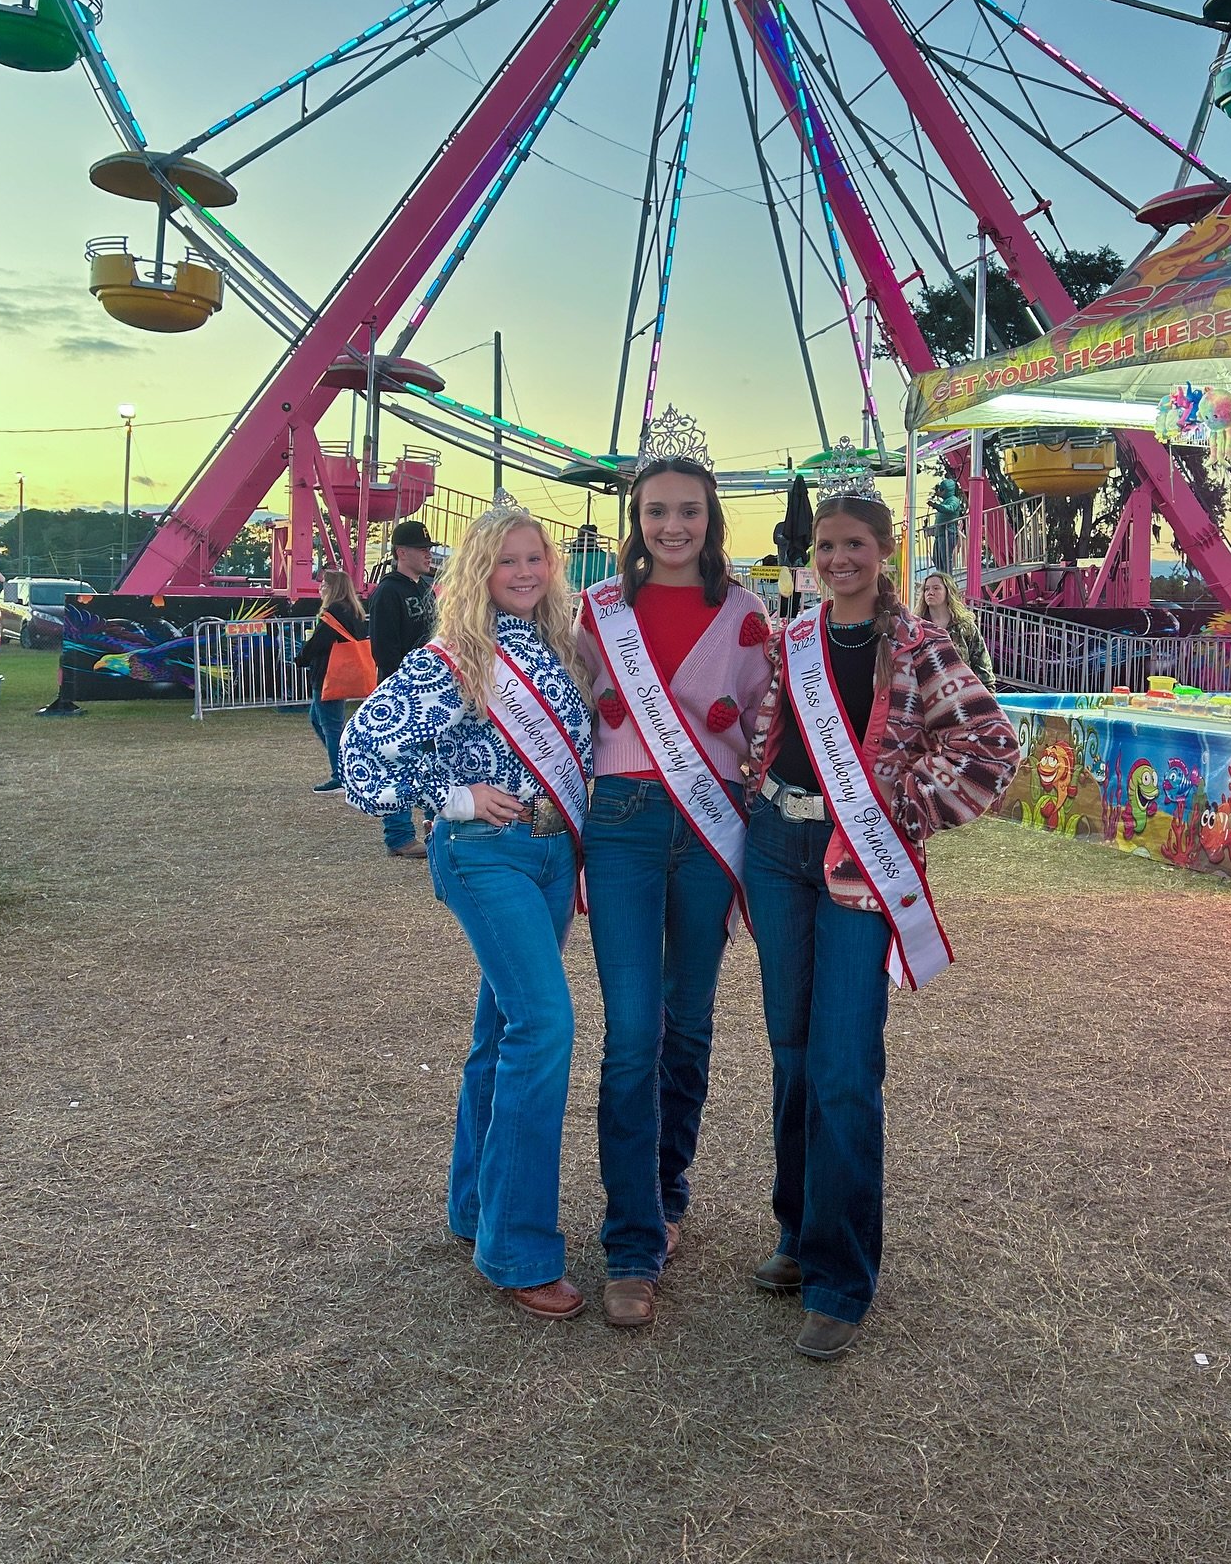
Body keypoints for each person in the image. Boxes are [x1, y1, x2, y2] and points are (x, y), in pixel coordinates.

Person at [744, 483, 1018, 1362]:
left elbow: (991, 749)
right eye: (825, 547)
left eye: (854, 545)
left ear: (884, 552)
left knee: (846, 1067)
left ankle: (840, 1276)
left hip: (860, 865)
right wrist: (758, 790)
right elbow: (768, 729)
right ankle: (797, 1233)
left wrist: (893, 802)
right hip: (778, 853)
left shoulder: (921, 645)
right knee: (790, 1053)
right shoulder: (794, 637)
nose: (838, 561)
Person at [340, 497, 594, 1320]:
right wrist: (453, 796)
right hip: (488, 855)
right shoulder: (452, 658)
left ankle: (473, 1206)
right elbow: (363, 755)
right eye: (505, 561)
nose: (523, 573)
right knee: (545, 1027)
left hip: (554, 853)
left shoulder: (559, 646)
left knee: (505, 1029)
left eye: (535, 559)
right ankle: (516, 1249)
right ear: (476, 573)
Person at [577, 410, 773, 1329]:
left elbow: (773, 725)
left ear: (711, 519)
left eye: (688, 511)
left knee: (688, 1024)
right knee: (631, 1032)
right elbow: (560, 711)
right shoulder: (596, 612)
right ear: (635, 519)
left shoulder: (745, 616)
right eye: (656, 511)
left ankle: (667, 1196)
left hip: (708, 828)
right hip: (618, 824)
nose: (672, 527)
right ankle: (629, 1243)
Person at [368, 519, 438, 857]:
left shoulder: (424, 588)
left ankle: (434, 827)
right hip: (402, 694)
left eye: (428, 548)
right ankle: (398, 837)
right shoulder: (388, 592)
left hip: (428, 691)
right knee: (398, 765)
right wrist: (401, 688)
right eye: (422, 549)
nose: (428, 554)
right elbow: (384, 649)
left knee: (432, 762)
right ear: (401, 552)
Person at [294, 569, 370, 791]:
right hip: (340, 673)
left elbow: (320, 641)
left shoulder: (335, 611)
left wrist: (301, 658)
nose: (321, 588)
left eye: (324, 584)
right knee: (320, 719)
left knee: (330, 725)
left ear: (333, 588)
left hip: (329, 675)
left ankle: (341, 774)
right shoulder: (354, 611)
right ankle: (345, 766)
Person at [915, 569, 997, 693]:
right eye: (926, 589)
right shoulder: (917, 628)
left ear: (948, 592)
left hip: (962, 694)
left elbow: (982, 665)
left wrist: (988, 697)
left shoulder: (965, 627)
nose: (930, 592)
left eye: (936, 588)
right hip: (927, 696)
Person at [927, 472, 965, 573]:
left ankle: (948, 578)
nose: (940, 492)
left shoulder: (954, 500)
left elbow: (950, 509)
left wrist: (936, 506)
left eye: (942, 489)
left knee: (946, 559)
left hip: (948, 533)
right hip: (940, 533)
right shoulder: (945, 501)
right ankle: (942, 575)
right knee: (936, 558)